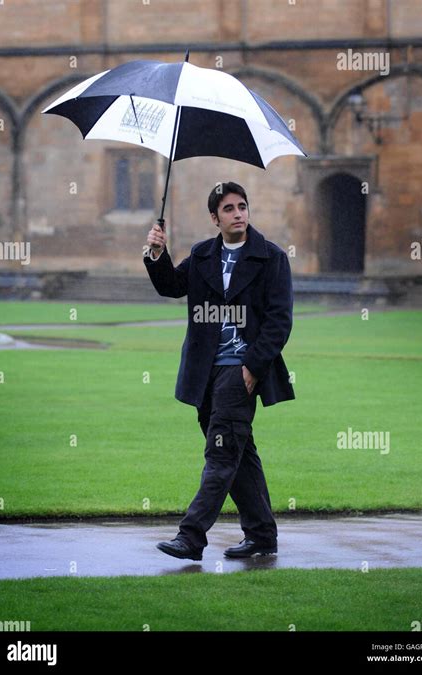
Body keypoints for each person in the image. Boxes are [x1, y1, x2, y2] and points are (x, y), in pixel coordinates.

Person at [143, 182, 294, 560]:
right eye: (229, 208)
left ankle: (191, 537)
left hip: (239, 370)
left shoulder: (271, 258)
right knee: (240, 453)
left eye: (242, 206)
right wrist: (156, 253)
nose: (238, 213)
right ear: (215, 218)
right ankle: (261, 535)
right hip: (204, 372)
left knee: (221, 453)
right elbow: (171, 287)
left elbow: (280, 321)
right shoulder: (203, 255)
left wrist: (252, 367)